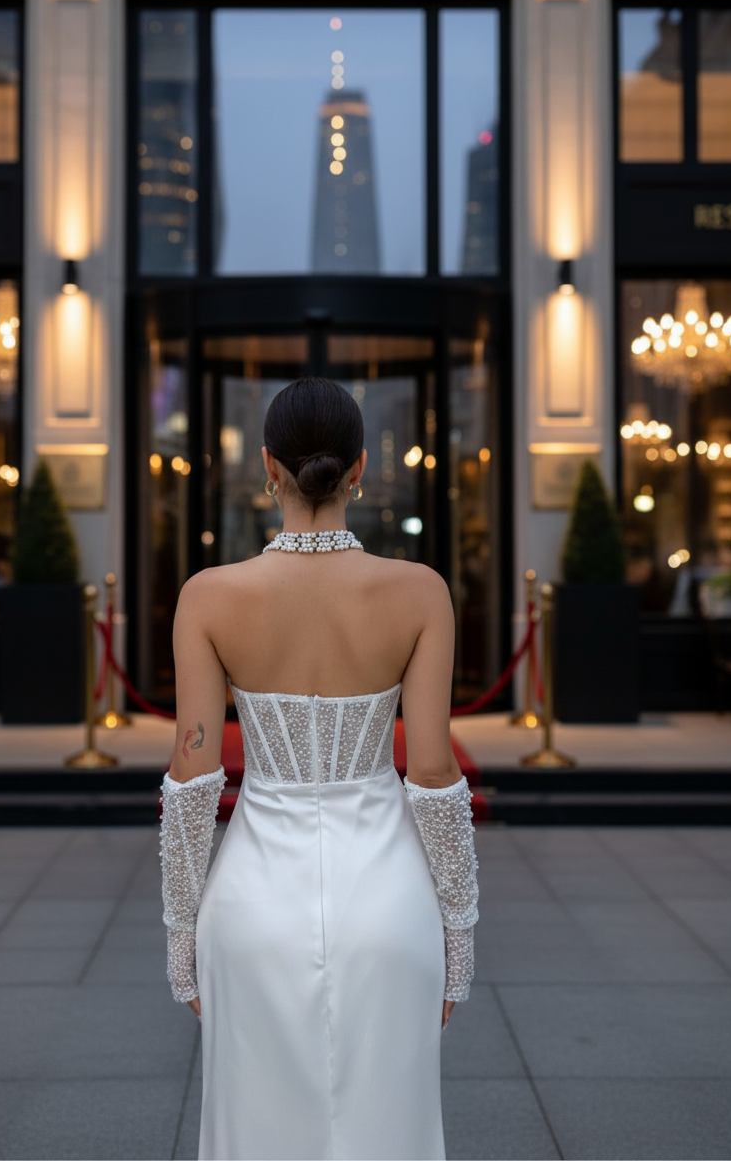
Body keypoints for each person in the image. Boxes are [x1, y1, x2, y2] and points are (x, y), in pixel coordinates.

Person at [160, 378, 479, 1161]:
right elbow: (433, 773)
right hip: (389, 901)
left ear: (267, 465)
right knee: (388, 1130)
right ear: (359, 466)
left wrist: (180, 935)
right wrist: (460, 933)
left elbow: (192, 781)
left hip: (251, 905)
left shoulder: (208, 597)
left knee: (257, 1131)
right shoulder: (420, 593)